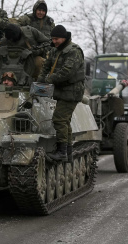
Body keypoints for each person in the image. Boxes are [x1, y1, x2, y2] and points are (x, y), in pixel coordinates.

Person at [38, 25, 85, 162]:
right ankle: (68, 152)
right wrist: (39, 82)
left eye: (56, 39)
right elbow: (46, 67)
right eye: (52, 39)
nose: (54, 41)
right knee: (65, 121)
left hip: (72, 91)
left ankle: (62, 152)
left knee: (59, 119)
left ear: (64, 37)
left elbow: (67, 72)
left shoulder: (74, 51)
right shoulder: (54, 51)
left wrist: (48, 80)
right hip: (61, 91)